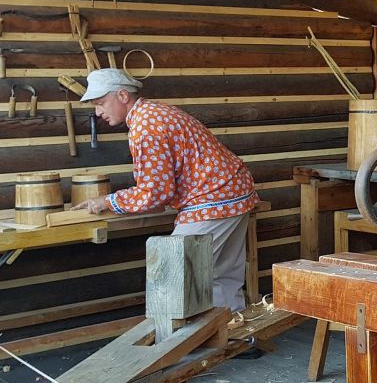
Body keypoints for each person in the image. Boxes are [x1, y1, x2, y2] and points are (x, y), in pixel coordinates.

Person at [72, 68, 260, 314]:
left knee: (176, 272)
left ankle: (189, 345)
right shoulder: (155, 111)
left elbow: (155, 192)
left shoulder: (145, 127)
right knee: (222, 273)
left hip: (212, 198)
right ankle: (237, 337)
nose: (98, 112)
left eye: (100, 103)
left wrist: (108, 202)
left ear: (122, 96)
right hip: (234, 190)